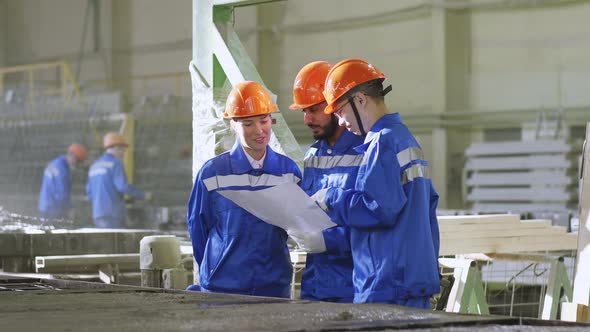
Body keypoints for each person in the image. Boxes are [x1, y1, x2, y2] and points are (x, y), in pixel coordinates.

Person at [309, 58, 440, 308]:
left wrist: (331, 197)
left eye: (339, 111)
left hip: (387, 283)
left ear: (360, 100)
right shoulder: (405, 139)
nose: (340, 121)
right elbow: (429, 207)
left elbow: (377, 208)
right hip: (410, 280)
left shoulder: (382, 144)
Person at [186, 81, 302, 298]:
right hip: (223, 288)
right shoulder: (213, 173)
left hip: (273, 288)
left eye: (264, 120)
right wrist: (214, 270)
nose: (259, 131)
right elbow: (198, 229)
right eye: (248, 124)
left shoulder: (288, 171)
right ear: (233, 124)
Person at [287, 61, 364, 303]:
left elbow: (378, 223)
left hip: (355, 289)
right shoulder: (312, 156)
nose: (308, 119)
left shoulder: (367, 152)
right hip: (315, 286)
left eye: (315, 109)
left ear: (335, 105)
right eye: (304, 111)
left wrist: (327, 240)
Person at [86, 132, 146, 228]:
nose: (123, 153)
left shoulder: (94, 165)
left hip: (98, 215)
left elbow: (89, 192)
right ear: (115, 147)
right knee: (116, 242)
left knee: (103, 241)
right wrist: (143, 195)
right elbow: (122, 186)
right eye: (122, 150)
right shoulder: (115, 163)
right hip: (113, 214)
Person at [38, 143, 87, 220]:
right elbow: (62, 194)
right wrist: (70, 209)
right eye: (78, 162)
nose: (77, 166)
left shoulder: (54, 162)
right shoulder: (63, 170)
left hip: (43, 206)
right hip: (53, 210)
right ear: (73, 157)